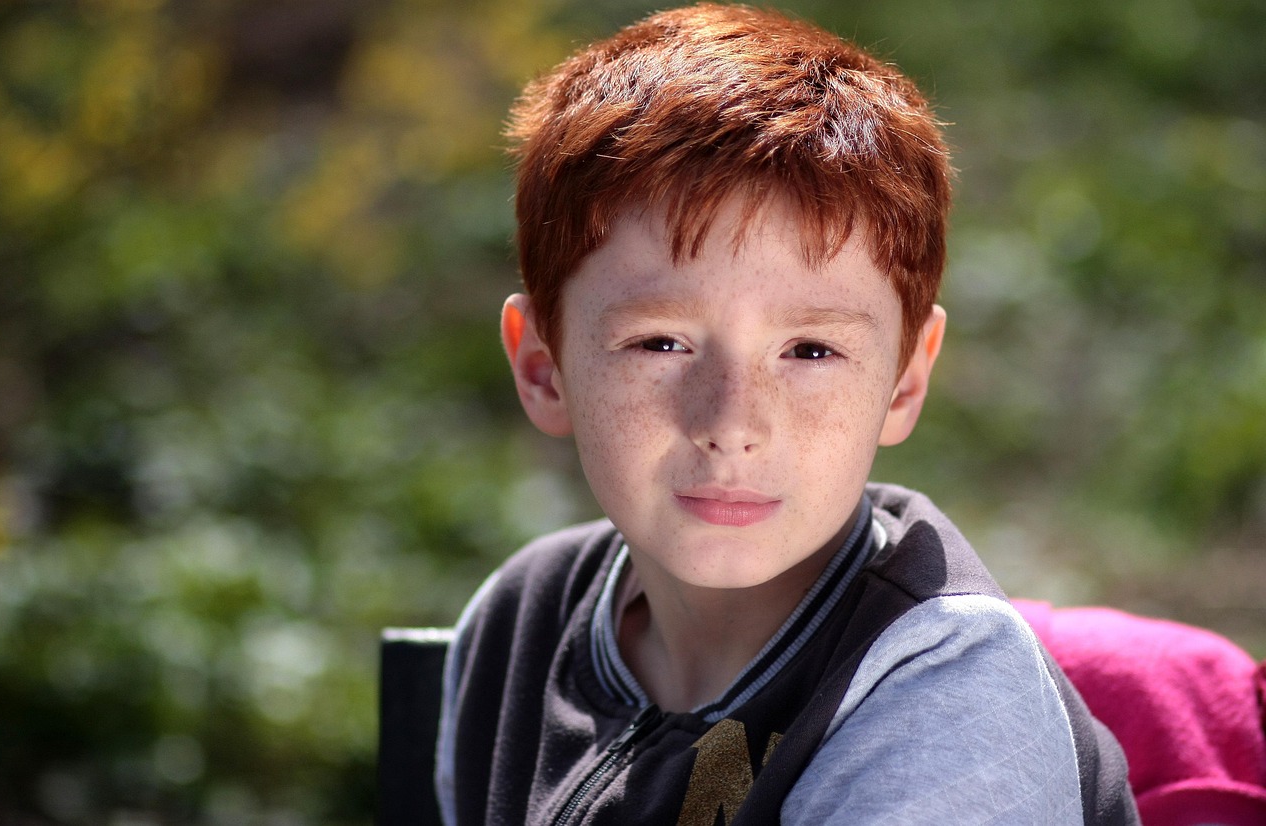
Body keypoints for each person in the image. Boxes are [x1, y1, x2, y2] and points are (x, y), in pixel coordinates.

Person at [435, 4, 1139, 823]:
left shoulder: (942, 695)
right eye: (660, 343)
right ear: (543, 367)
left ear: (905, 381)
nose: (733, 424)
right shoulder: (523, 624)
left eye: (810, 350)